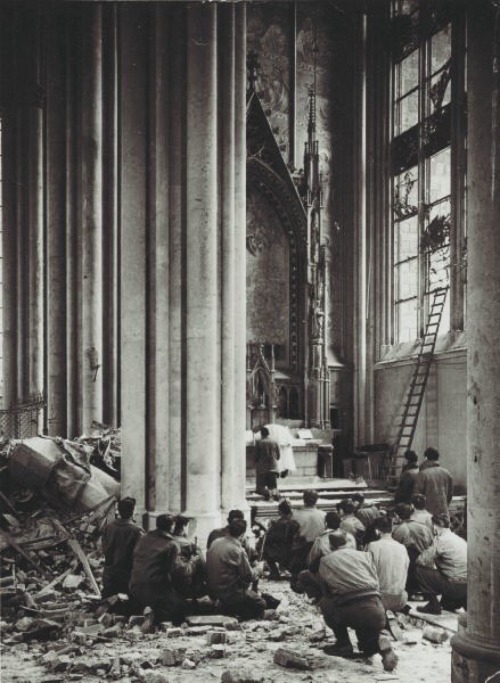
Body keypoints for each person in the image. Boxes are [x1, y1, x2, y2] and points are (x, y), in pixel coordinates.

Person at [318, 531, 398, 672]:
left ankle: (343, 644)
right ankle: (379, 645)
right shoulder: (365, 555)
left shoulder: (326, 560)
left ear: (331, 545)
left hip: (348, 609)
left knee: (325, 602)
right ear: (347, 542)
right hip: (376, 608)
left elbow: (327, 591)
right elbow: (375, 580)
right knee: (367, 648)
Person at [129, 514, 186, 626]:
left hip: (134, 587)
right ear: (171, 527)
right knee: (181, 606)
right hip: (154, 590)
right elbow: (178, 571)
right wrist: (192, 563)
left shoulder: (143, 538)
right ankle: (159, 618)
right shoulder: (171, 544)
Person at [206, 518, 269, 619]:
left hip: (212, 591)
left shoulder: (215, 542)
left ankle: (226, 606)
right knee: (261, 603)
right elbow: (249, 577)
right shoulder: (237, 550)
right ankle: (233, 611)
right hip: (230, 593)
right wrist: (258, 569)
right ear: (242, 535)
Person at [415, 513, 467, 615]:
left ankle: (433, 605)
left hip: (454, 586)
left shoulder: (441, 540)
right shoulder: (459, 539)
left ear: (435, 527)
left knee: (419, 570)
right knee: (446, 572)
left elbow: (421, 560)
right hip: (467, 585)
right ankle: (453, 601)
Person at [298, 511, 355, 600]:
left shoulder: (321, 539)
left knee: (303, 575)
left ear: (326, 523)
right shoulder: (350, 537)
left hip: (330, 576)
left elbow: (310, 562)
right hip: (350, 572)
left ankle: (321, 597)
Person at [101, 496, 145, 599]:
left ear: (119, 511)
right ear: (132, 511)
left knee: (109, 605)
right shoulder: (136, 530)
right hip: (127, 576)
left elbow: (104, 548)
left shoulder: (109, 527)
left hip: (109, 575)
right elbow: (141, 554)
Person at [366, 516, 409, 612]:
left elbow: (368, 573)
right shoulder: (402, 547)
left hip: (379, 599)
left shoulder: (373, 546)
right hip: (401, 599)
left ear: (377, 531)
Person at [392, 502, 434, 596]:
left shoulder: (399, 529)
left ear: (397, 515)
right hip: (425, 567)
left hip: (408, 570)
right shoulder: (424, 527)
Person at [289, 490, 326, 589]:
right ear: (316, 500)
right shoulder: (323, 515)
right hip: (318, 551)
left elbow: (291, 535)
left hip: (301, 551)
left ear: (304, 499)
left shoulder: (296, 515)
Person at [171, 514, 207, 600]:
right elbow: (204, 568)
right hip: (184, 585)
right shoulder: (189, 545)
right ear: (185, 527)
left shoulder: (168, 541)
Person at [262, 499, 300, 579]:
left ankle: (274, 571)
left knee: (265, 548)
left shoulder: (279, 524)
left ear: (280, 512)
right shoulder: (295, 522)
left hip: (282, 552)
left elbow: (270, 538)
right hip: (294, 551)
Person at [415, 447, 453, 522]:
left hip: (427, 515)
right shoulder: (447, 473)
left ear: (426, 458)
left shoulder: (422, 474)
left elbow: (417, 496)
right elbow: (450, 494)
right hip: (443, 512)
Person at [254, 426, 280, 501]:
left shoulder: (259, 442)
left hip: (262, 469)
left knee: (260, 488)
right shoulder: (274, 441)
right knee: (273, 486)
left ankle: (267, 494)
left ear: (261, 434)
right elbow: (278, 456)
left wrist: (256, 462)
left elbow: (256, 456)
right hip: (273, 468)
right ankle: (274, 497)